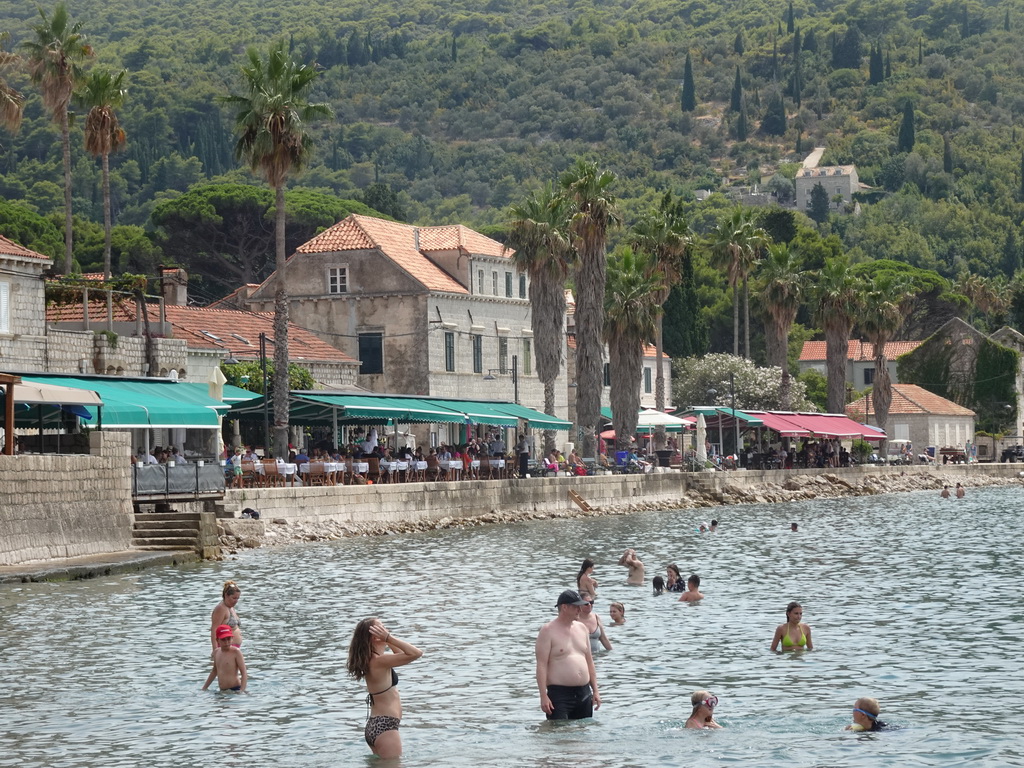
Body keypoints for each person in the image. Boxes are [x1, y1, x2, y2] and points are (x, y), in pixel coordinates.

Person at [346, 617, 423, 758]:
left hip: (376, 725)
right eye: (381, 627)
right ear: (375, 637)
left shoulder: (374, 659)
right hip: (386, 726)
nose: (386, 629)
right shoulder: (378, 661)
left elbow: (400, 654)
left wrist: (387, 639)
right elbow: (416, 653)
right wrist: (388, 638)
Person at [535, 590, 602, 719]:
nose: (580, 610)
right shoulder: (547, 631)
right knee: (559, 734)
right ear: (564, 607)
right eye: (576, 606)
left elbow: (589, 662)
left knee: (583, 735)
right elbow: (541, 665)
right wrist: (543, 695)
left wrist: (596, 691)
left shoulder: (582, 628)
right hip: (560, 694)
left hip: (584, 692)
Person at [203, 624, 247, 692]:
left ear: (232, 638)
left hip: (235, 689)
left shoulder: (236, 652)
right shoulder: (216, 652)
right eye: (223, 639)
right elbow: (214, 671)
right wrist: (204, 688)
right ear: (217, 640)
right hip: (222, 690)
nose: (227, 642)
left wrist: (241, 691)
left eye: (229, 639)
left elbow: (244, 673)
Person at [211, 580, 242, 649]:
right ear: (226, 595)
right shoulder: (221, 608)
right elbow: (214, 630)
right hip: (224, 649)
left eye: (237, 598)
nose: (236, 601)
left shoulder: (231, 607)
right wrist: (215, 650)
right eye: (234, 598)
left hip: (234, 648)